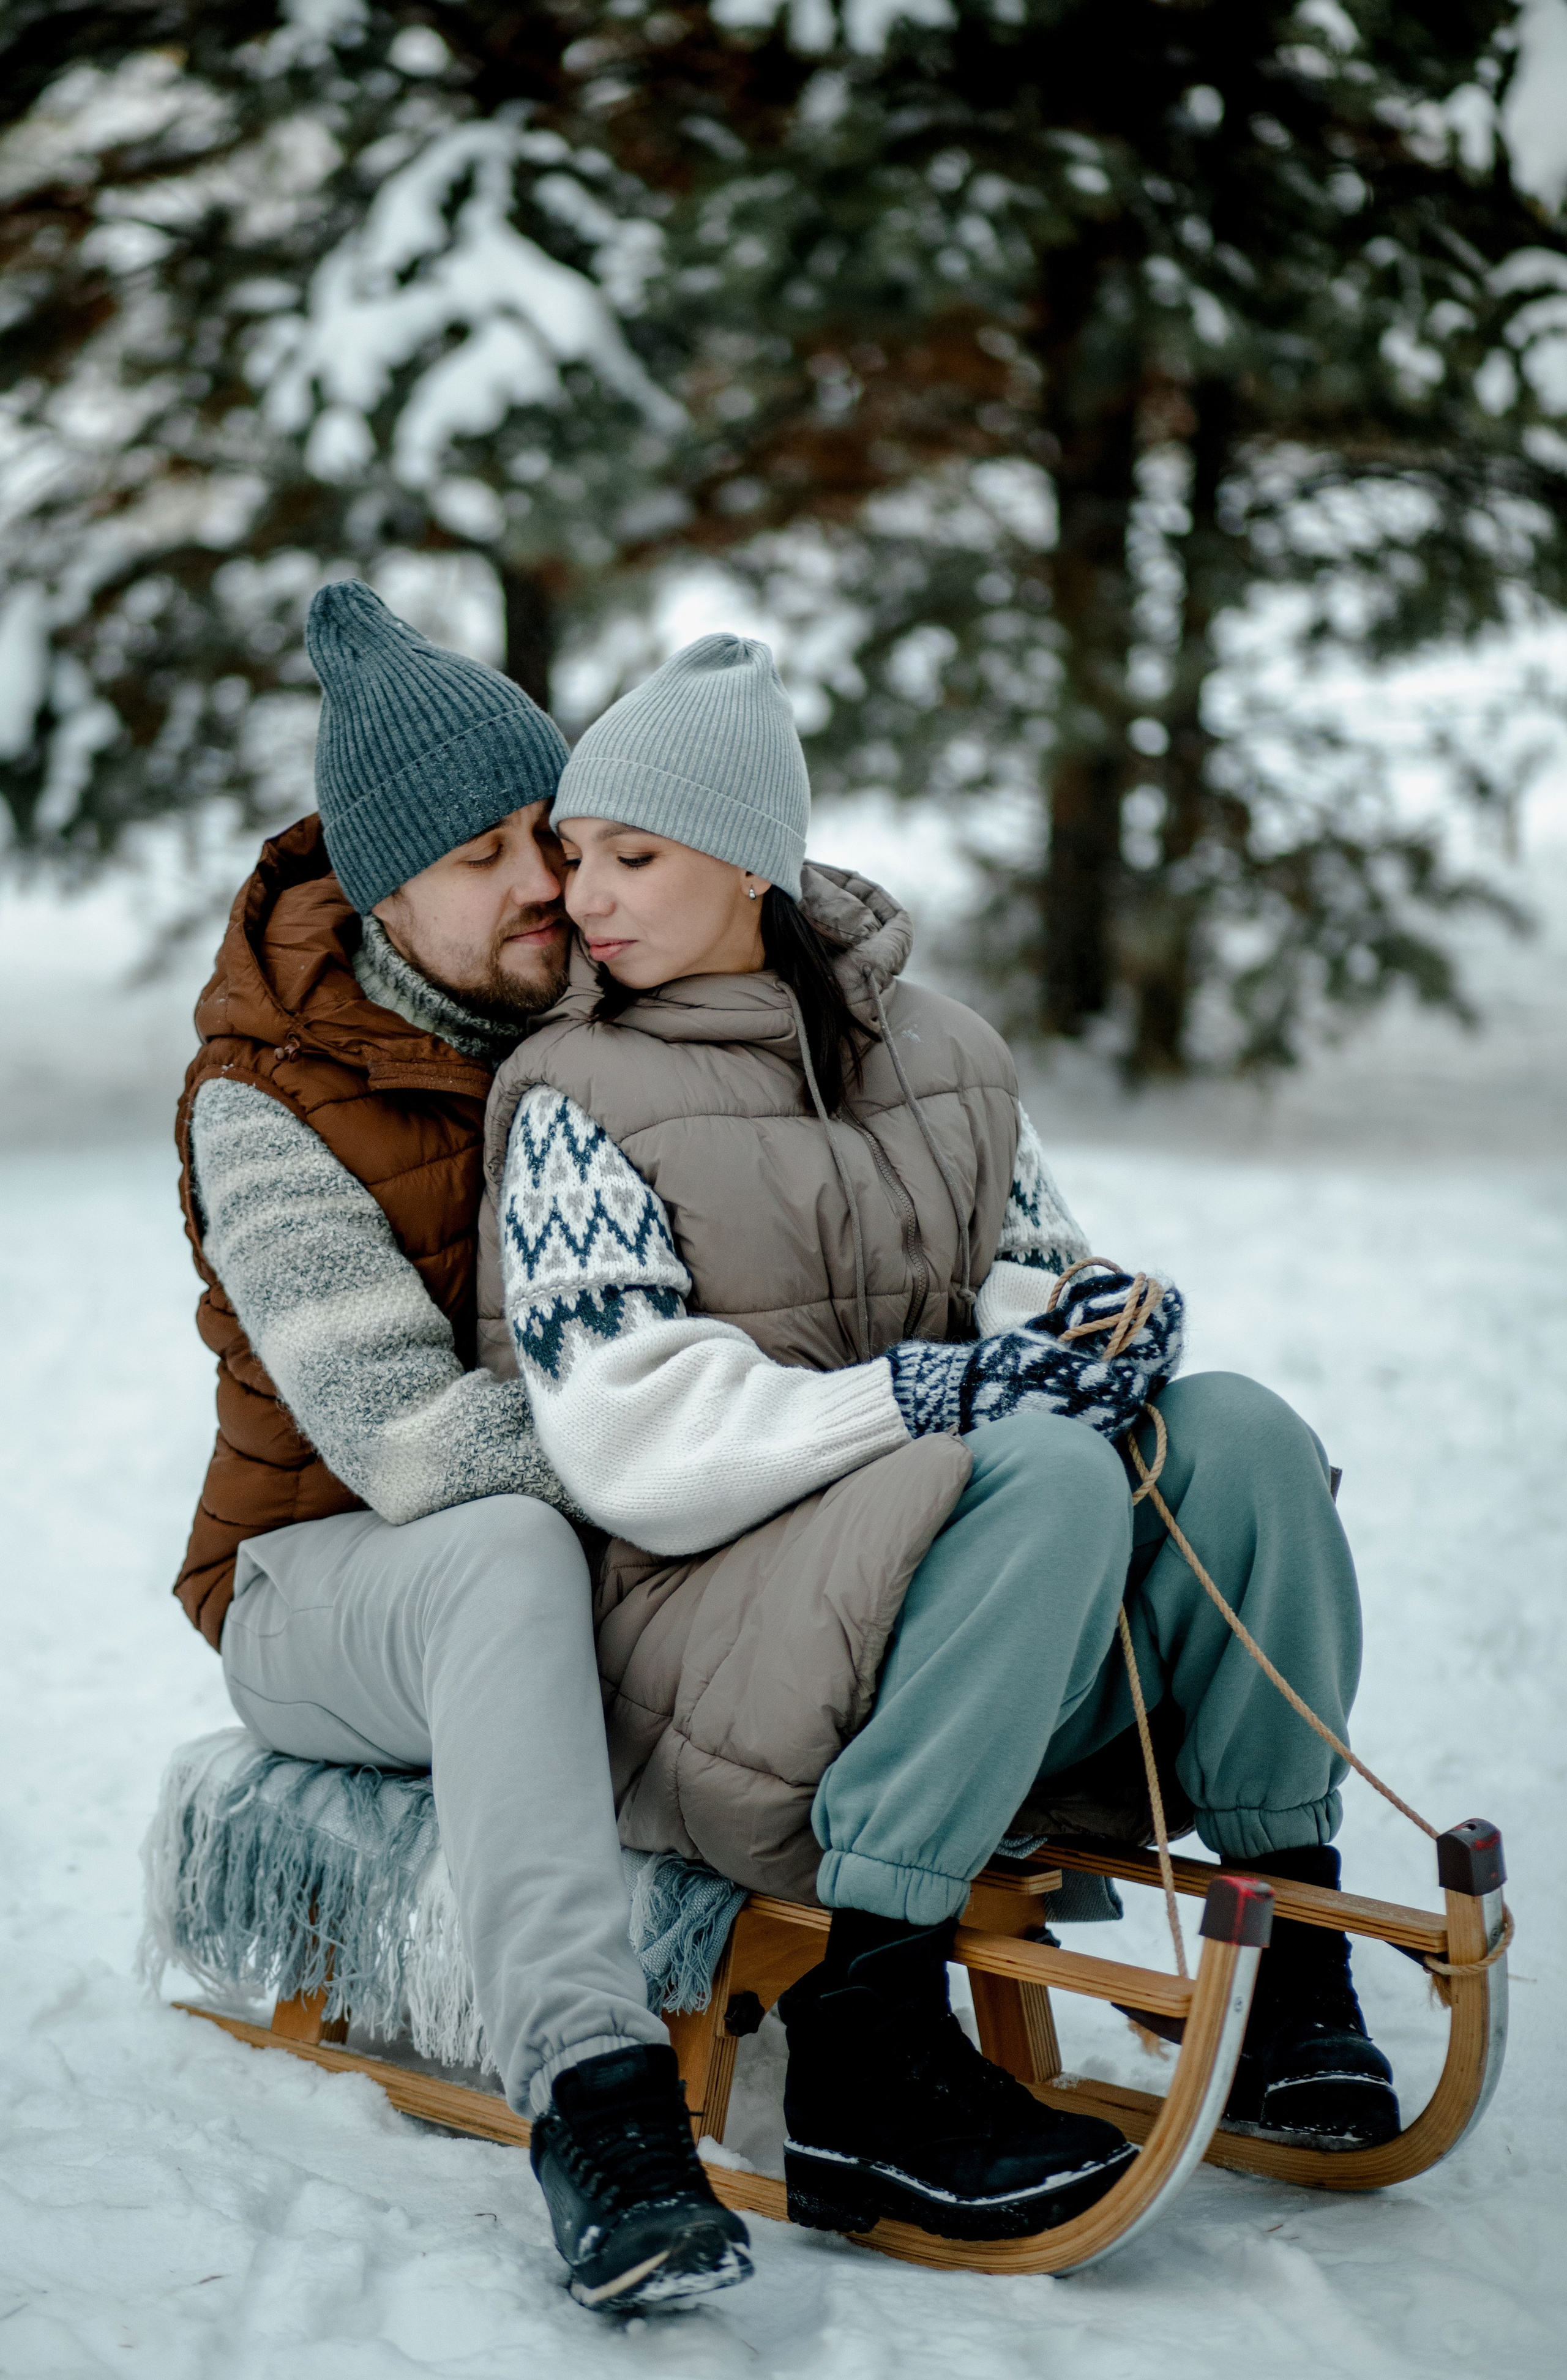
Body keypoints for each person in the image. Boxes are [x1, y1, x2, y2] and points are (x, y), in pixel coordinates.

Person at [481, 632, 1403, 2247]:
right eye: (574, 855)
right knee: (1033, 1465)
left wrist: (1090, 1328)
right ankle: (868, 2036)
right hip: (695, 1631)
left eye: (633, 853)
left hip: (950, 1603)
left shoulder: (949, 1055)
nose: (589, 893)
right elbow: (626, 1437)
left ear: (753, 865)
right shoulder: (577, 1092)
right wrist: (920, 1400)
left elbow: (1023, 1278)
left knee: (1241, 1432)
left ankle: (1292, 1948)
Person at [174, 581, 751, 2313]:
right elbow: (411, 1444)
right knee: (501, 1547)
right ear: (385, 889)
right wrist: (718, 1443)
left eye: (548, 832)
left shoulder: (603, 1022)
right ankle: (596, 2096)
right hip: (315, 1576)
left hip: (573, 1525)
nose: (549, 883)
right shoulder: (259, 1099)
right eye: (492, 851)